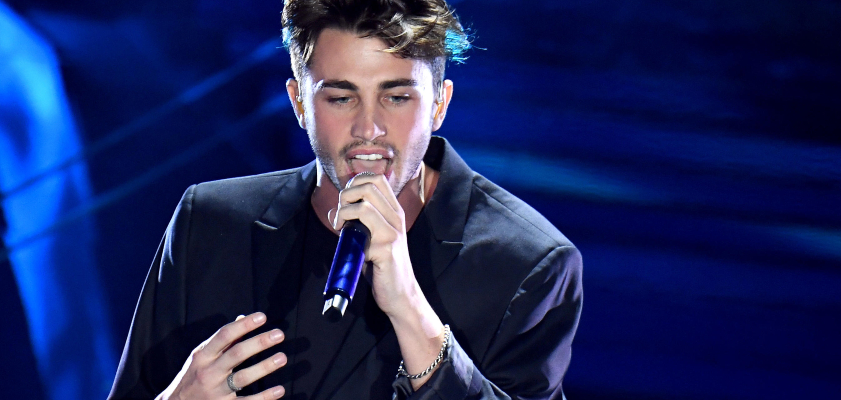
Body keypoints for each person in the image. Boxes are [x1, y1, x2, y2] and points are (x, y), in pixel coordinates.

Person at [108, 0, 582, 399]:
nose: (369, 130)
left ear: (440, 103)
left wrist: (410, 309)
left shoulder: (528, 265)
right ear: (298, 103)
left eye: (396, 97)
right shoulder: (209, 224)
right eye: (341, 98)